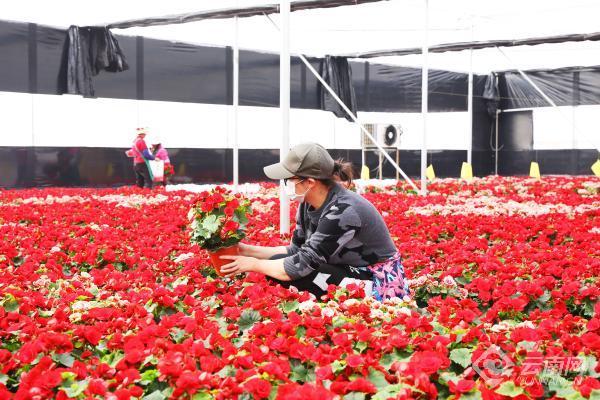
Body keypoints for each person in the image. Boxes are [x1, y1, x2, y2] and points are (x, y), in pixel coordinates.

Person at [220, 142, 410, 301]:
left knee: (297, 274)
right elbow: (296, 250)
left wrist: (252, 264)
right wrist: (246, 250)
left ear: (310, 182)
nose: (285, 184)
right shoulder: (308, 203)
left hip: (379, 282)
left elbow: (300, 265)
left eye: (288, 179)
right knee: (281, 265)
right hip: (346, 269)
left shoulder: (343, 210)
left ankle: (360, 298)